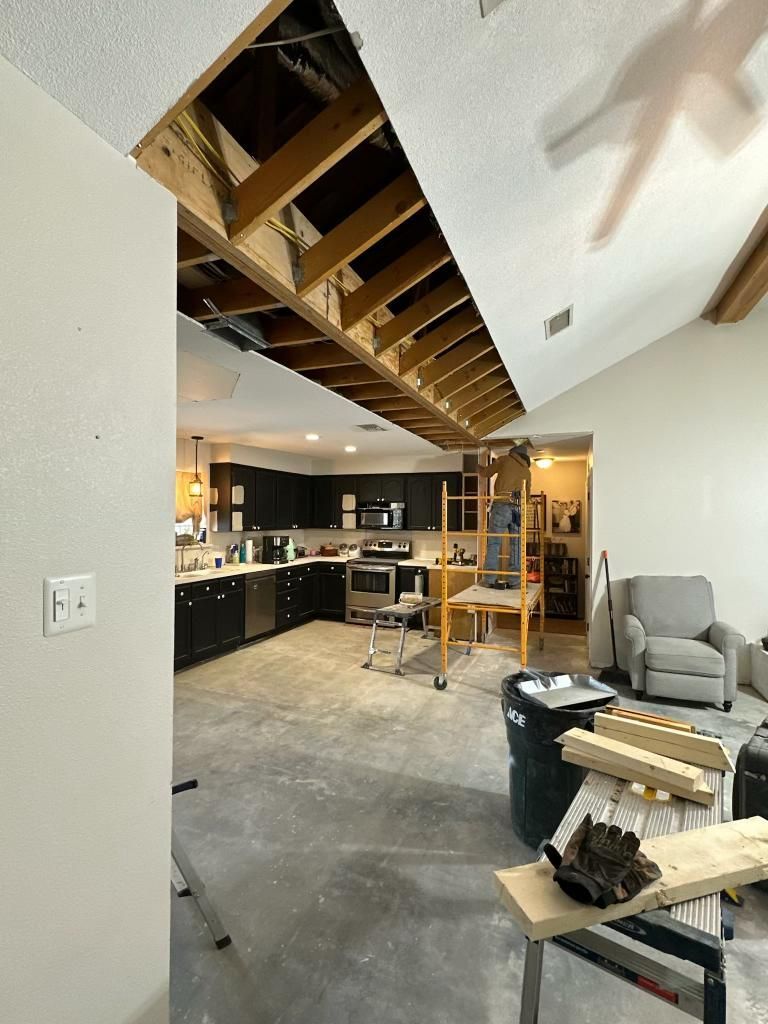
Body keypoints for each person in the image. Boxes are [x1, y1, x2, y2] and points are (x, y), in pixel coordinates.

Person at [478, 445, 531, 588]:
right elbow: (527, 495)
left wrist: (478, 467)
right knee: (517, 544)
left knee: (494, 542)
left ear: (513, 453)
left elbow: (486, 473)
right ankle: (515, 581)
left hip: (502, 505)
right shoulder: (527, 470)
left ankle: (489, 579)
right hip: (518, 508)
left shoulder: (505, 460)